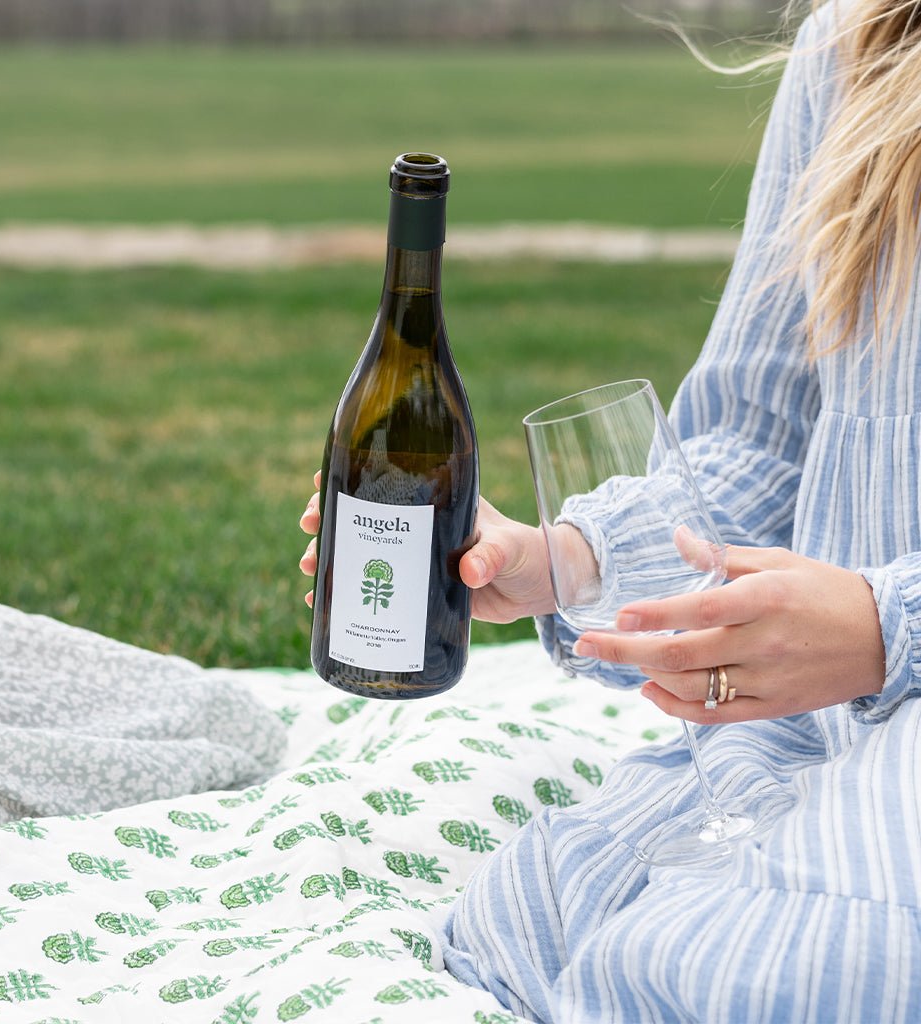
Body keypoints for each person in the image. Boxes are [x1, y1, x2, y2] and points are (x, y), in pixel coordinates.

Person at [300, 0, 921, 1018]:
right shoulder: (855, 49)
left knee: (794, 976)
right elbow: (758, 435)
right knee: (525, 921)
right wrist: (563, 560)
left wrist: (885, 628)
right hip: (807, 725)